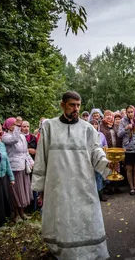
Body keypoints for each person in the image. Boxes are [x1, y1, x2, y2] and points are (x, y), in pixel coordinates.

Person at [32, 91, 116, 260]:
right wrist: (40, 187)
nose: (76, 108)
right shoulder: (49, 126)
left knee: (86, 218)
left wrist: (108, 164)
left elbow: (96, 152)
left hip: (83, 184)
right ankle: (62, 252)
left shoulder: (87, 129)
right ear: (62, 105)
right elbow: (41, 157)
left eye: (78, 105)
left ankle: (90, 254)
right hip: (58, 185)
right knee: (62, 220)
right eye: (72, 105)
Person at [2, 117, 34, 222]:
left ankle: (22, 213)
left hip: (24, 167)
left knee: (23, 191)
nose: (17, 127)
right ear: (8, 126)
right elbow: (14, 140)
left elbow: (25, 152)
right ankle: (16, 215)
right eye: (13, 125)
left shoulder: (22, 136)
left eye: (16, 125)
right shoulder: (5, 137)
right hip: (14, 168)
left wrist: (31, 162)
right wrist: (17, 127)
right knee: (15, 191)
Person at [118, 105, 135, 195]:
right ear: (126, 112)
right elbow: (119, 134)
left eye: (131, 112)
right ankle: (131, 187)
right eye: (128, 112)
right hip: (127, 149)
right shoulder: (122, 121)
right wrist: (126, 128)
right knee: (129, 169)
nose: (130, 114)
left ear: (134, 112)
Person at [90, 118, 109, 202]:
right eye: (92, 124)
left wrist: (105, 148)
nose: (94, 126)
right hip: (91, 158)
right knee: (95, 176)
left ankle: (101, 193)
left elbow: (105, 145)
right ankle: (97, 194)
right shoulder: (87, 135)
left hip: (101, 157)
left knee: (100, 175)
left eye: (96, 124)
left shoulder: (101, 134)